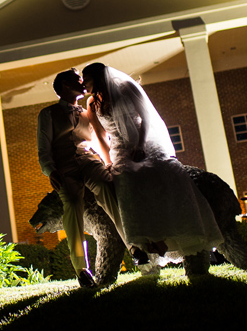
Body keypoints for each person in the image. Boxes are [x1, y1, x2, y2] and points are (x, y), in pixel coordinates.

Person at [81, 62, 223, 275]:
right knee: (126, 181)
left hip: (144, 142)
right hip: (120, 150)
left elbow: (147, 118)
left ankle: (177, 235)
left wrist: (140, 145)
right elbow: (101, 137)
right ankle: (145, 245)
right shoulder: (92, 104)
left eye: (87, 79)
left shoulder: (127, 89)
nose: (84, 84)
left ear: (98, 77)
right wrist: (109, 160)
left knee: (162, 173)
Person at [37, 69, 112, 287]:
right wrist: (50, 171)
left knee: (107, 186)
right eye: (77, 80)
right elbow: (44, 148)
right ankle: (81, 268)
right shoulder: (48, 114)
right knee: (71, 202)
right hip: (64, 167)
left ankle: (134, 245)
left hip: (88, 160)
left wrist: (108, 162)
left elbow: (97, 141)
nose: (82, 83)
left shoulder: (86, 113)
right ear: (64, 86)